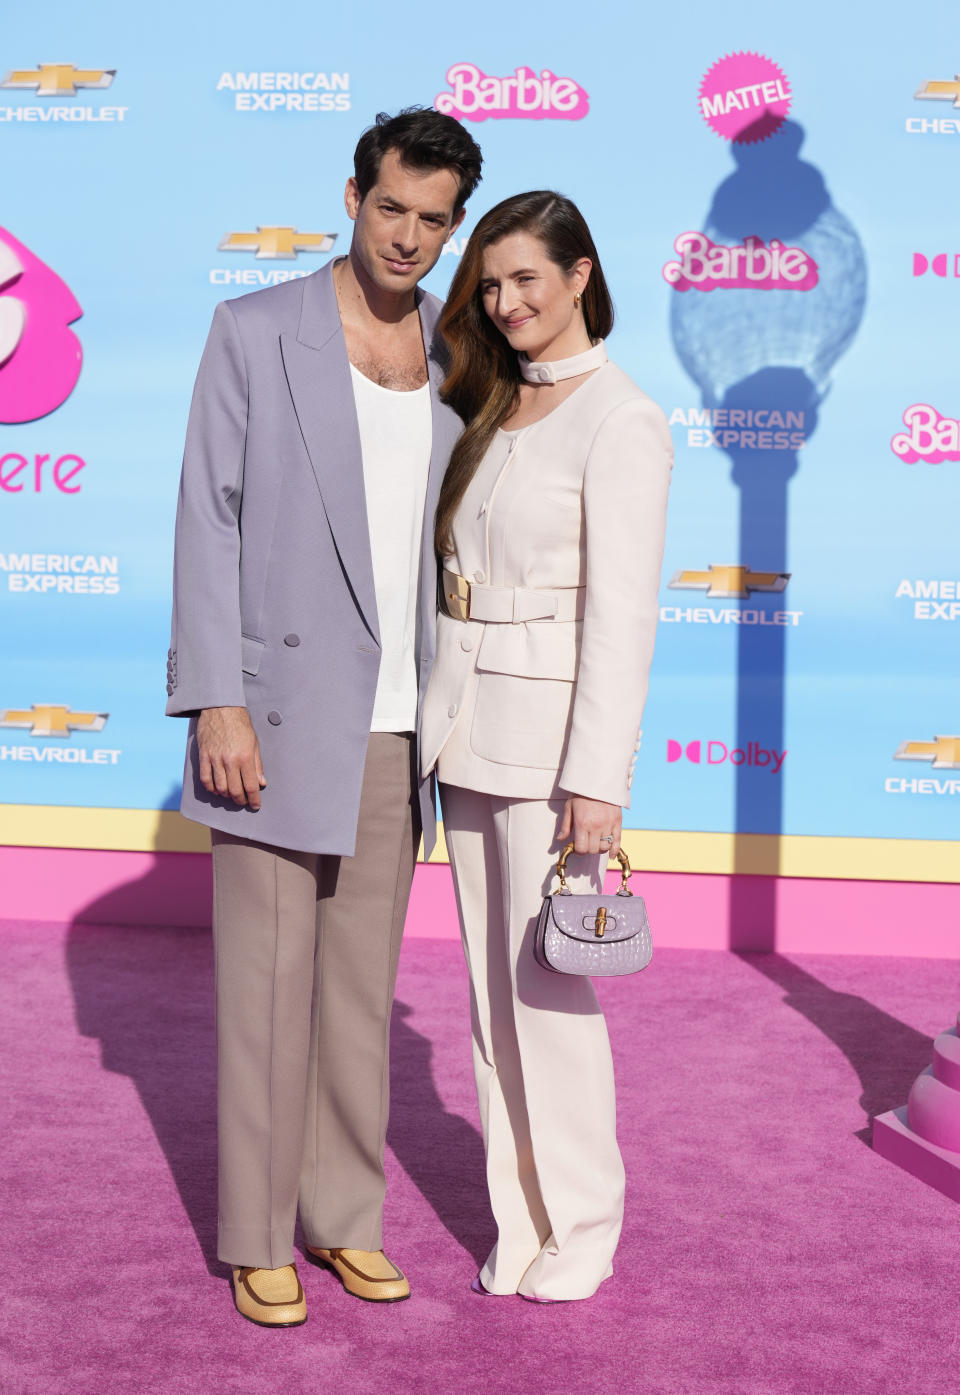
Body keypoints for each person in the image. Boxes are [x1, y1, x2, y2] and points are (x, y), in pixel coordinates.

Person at [166, 108, 482, 1327]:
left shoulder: (455, 360)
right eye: (391, 207)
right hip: (276, 713)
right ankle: (255, 1236)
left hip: (399, 729)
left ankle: (344, 1220)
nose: (407, 237)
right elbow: (209, 521)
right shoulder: (256, 331)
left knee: (357, 997)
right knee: (264, 991)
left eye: (432, 220)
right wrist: (216, 701)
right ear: (351, 195)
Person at [420, 191, 673, 1302]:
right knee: (485, 999)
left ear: (580, 275)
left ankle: (586, 1221)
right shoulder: (488, 405)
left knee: (547, 995)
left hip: (551, 750)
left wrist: (597, 781)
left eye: (527, 278)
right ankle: (518, 1212)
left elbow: (621, 616)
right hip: (464, 730)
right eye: (489, 284)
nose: (506, 301)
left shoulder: (621, 418)